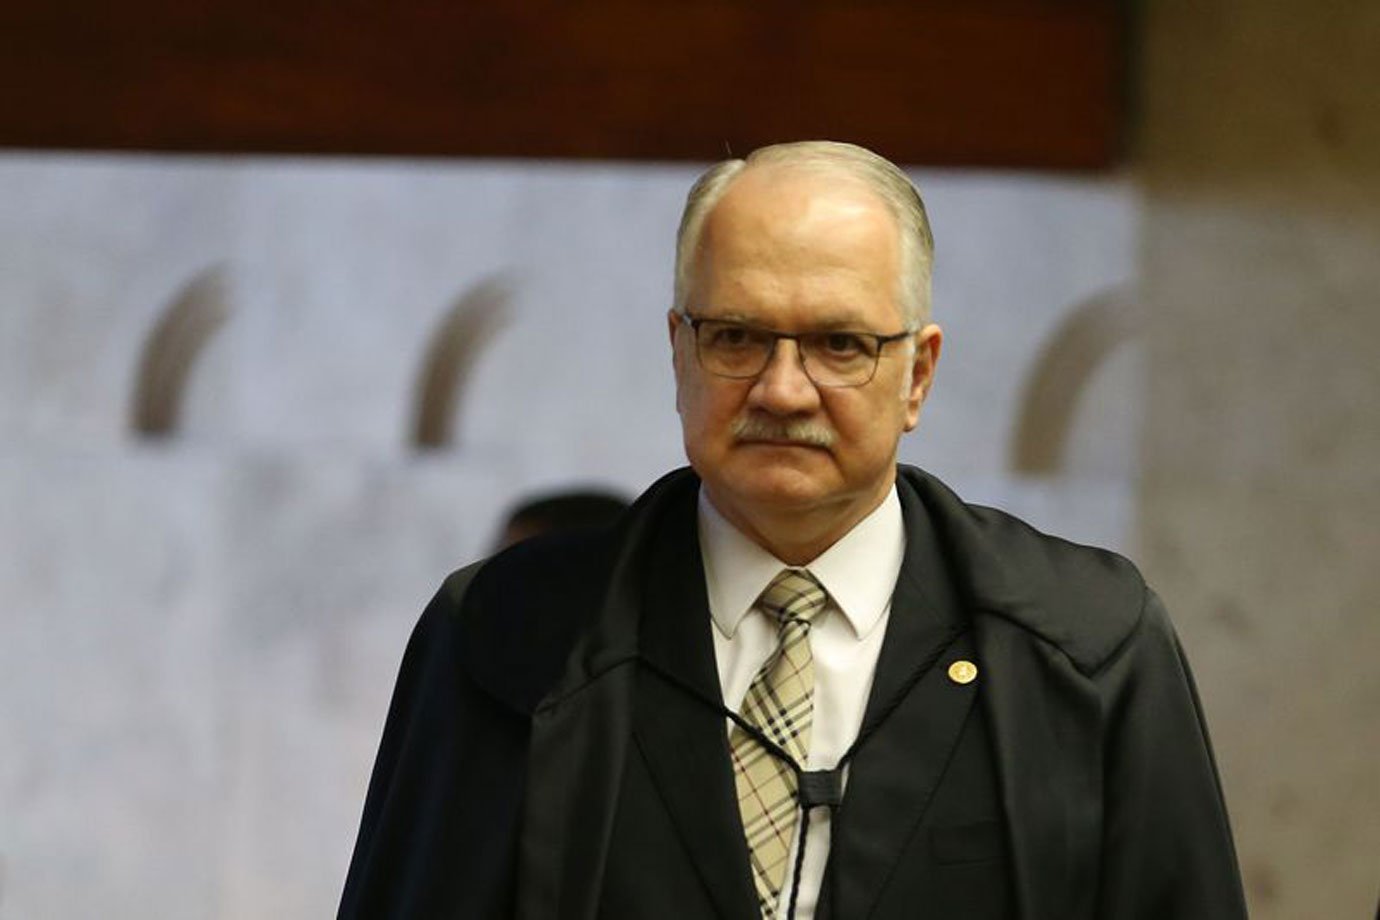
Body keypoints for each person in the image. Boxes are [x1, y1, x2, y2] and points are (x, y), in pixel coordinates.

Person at [338, 141, 1248, 919]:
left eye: (839, 344)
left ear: (918, 376)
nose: (781, 389)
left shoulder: (1088, 649)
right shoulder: (503, 634)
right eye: (736, 337)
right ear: (680, 352)